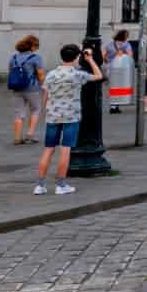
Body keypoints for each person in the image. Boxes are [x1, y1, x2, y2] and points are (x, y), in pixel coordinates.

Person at [34, 43, 101, 196]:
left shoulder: (51, 74)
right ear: (77, 57)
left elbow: (45, 95)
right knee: (66, 149)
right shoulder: (77, 74)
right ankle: (61, 184)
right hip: (71, 116)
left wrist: (46, 111)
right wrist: (90, 59)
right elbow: (99, 75)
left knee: (48, 149)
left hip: (53, 115)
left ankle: (40, 185)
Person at [8, 35, 44, 146]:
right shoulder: (35, 58)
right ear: (32, 46)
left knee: (18, 113)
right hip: (32, 88)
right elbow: (41, 75)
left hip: (16, 87)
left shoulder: (13, 58)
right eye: (36, 46)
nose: (37, 48)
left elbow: (10, 72)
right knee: (35, 110)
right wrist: (43, 84)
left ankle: (17, 138)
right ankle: (30, 135)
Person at [104, 29, 135, 113]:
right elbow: (130, 56)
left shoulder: (109, 44)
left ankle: (113, 105)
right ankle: (116, 105)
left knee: (113, 87)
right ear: (125, 36)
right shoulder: (126, 44)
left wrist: (107, 61)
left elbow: (103, 55)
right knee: (119, 87)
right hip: (121, 69)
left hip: (110, 68)